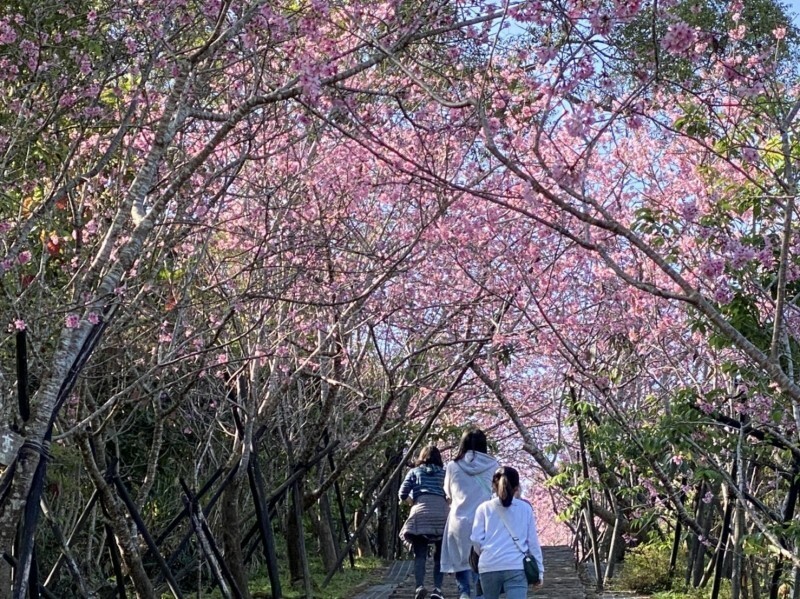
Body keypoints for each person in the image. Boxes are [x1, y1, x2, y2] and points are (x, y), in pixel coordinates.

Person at [440, 428, 499, 599]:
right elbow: (495, 492)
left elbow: (448, 493)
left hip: (458, 520)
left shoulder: (452, 466)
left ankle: (464, 593)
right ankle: (479, 594)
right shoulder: (493, 465)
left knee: (461, 561)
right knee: (480, 562)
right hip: (483, 521)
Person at [469, 466, 544, 599]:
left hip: (489, 565)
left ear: (493, 486)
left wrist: (487, 553)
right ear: (517, 488)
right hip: (516, 566)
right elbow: (532, 542)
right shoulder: (525, 509)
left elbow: (475, 539)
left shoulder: (483, 508)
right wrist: (540, 571)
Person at [399, 445, 450, 599]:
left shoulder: (414, 472)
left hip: (420, 514)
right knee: (439, 556)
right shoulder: (445, 474)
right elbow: (452, 494)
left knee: (420, 554)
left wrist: (412, 502)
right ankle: (438, 589)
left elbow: (402, 493)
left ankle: (419, 586)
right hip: (441, 514)